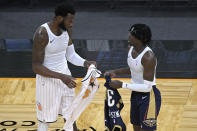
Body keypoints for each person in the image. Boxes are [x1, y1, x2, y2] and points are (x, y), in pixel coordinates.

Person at [32, 3, 96, 131]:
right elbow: (36, 67)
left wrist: (85, 62)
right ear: (60, 18)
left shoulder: (67, 30)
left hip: (66, 79)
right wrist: (62, 77)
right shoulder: (42, 34)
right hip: (48, 81)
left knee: (70, 117)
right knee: (45, 121)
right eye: (70, 20)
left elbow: (70, 55)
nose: (72, 24)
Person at [104, 24, 161, 131]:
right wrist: (115, 72)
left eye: (132, 34)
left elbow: (147, 87)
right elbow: (133, 68)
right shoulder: (130, 48)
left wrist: (122, 85)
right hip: (135, 94)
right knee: (136, 127)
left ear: (141, 38)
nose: (128, 36)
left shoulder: (148, 57)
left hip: (149, 97)